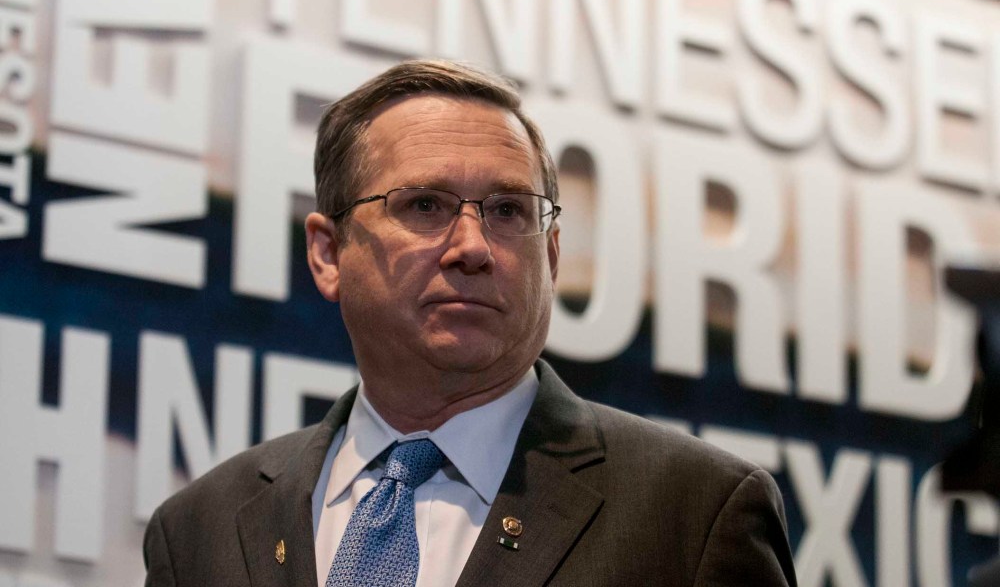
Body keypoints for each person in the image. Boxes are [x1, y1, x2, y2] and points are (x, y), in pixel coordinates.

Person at [143, 59, 797, 586]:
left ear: (551, 253)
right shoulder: (202, 529)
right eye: (424, 205)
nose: (474, 247)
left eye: (509, 211)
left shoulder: (694, 514)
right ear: (328, 253)